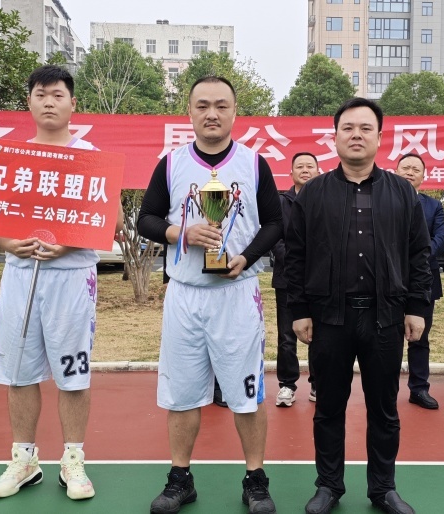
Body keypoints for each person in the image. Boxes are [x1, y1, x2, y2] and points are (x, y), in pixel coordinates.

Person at [137, 76, 283, 514]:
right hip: (185, 294)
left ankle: (256, 479)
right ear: (190, 112)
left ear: (235, 112)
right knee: (181, 393)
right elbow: (146, 219)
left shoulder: (254, 164)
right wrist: (180, 232)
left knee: (246, 392)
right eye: (202, 105)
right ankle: (180, 478)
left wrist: (246, 257)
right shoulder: (171, 164)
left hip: (236, 293)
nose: (212, 114)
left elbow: (276, 223)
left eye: (221, 105)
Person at [286, 97, 431, 514]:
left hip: (385, 318)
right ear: (334, 137)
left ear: (379, 138)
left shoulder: (402, 192)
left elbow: (419, 254)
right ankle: (328, 485)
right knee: (328, 407)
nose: (356, 135)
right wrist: (299, 310)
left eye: (365, 128)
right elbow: (295, 255)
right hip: (329, 318)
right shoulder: (313, 194)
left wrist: (417, 307)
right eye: (348, 128)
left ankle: (383, 488)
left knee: (384, 409)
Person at [0, 65, 97, 501]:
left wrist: (67, 246)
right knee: (19, 369)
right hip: (21, 275)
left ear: (72, 103)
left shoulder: (90, 157)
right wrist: (8, 244)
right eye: (40, 94)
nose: (49, 102)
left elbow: (104, 219)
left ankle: (73, 459)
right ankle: (24, 458)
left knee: (73, 371)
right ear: (29, 102)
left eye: (57, 94)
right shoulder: (11, 156)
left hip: (71, 277)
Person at [394, 153, 444, 410]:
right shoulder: (383, 201)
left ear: (423, 176)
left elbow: (440, 238)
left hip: (424, 279)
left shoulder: (433, 206)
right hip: (390, 278)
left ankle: (419, 388)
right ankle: (386, 389)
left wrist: (419, 257)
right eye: (405, 168)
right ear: (395, 172)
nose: (410, 172)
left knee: (419, 337)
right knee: (389, 338)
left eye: (416, 169)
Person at [271, 151, 320, 407]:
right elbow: (275, 239)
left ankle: (318, 384)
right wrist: (296, 263)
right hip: (287, 279)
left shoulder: (326, 200)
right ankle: (287, 385)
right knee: (287, 337)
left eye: (310, 166)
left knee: (319, 335)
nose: (305, 170)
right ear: (290, 173)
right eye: (299, 166)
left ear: (318, 172)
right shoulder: (280, 202)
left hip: (319, 280)